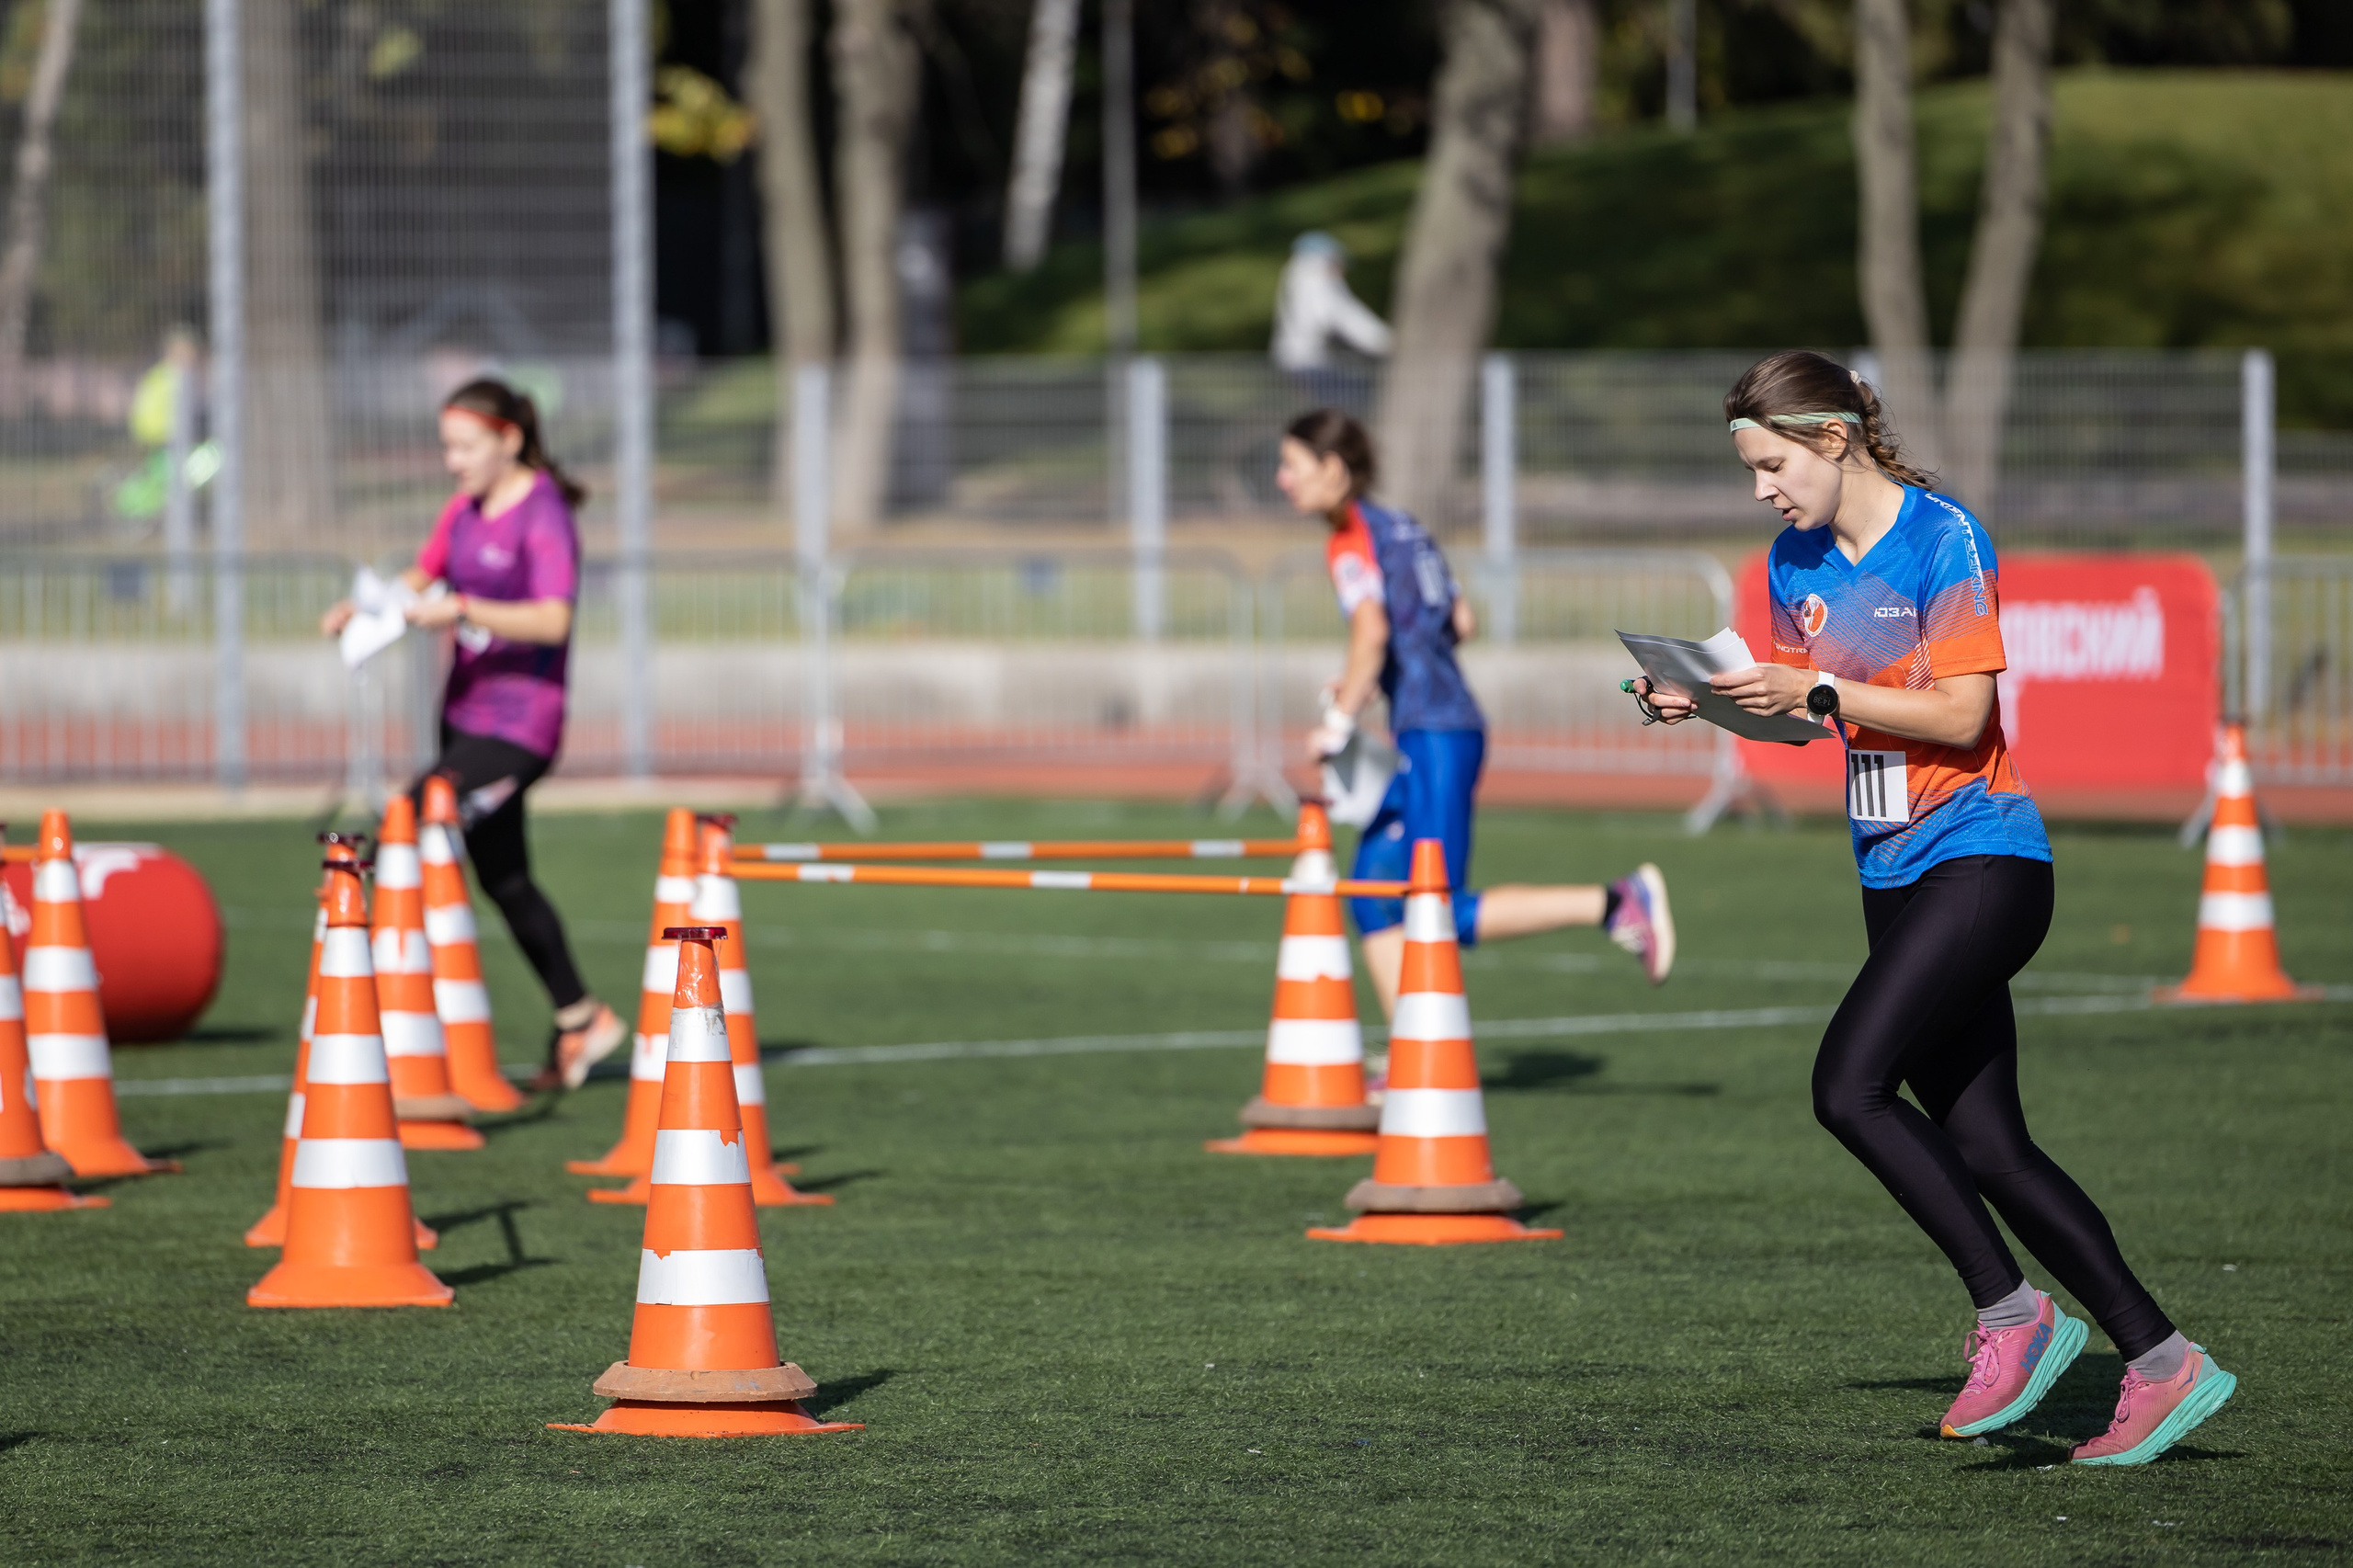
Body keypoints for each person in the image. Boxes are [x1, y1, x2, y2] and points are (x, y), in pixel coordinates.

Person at [1632, 349, 2235, 1465]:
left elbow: (1960, 717)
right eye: (1749, 470)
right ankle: (2162, 1361)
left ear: (1831, 438)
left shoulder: (1943, 536)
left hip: (1984, 860)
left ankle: (2012, 1313)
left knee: (1846, 1086)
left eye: (1770, 464)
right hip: (1890, 872)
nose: (1761, 490)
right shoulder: (1790, 559)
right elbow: (1815, 722)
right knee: (1993, 1149)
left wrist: (1812, 684)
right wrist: (1711, 702)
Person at [1276, 407, 1673, 1019]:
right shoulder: (1403, 526)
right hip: (1435, 727)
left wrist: (1340, 718)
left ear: (1331, 468)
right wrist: (1376, 674)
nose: (1283, 479)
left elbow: (1373, 629)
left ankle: (1615, 901)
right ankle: (1409, 1052)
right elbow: (1461, 622)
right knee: (1373, 898)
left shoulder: (1350, 537)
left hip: (1436, 733)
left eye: (1291, 465)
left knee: (1440, 908)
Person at [321, 378, 626, 1093]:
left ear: (509, 439)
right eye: (447, 448)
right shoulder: (464, 510)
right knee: (506, 878)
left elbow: (553, 619)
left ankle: (408, 1042)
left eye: (465, 446)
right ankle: (581, 1019)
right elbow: (419, 578)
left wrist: (461, 607)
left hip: (519, 729)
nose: (453, 462)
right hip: (462, 715)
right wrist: (364, 609)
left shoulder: (544, 515)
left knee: (410, 821)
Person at [1270, 233, 1391, 411]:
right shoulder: (1317, 282)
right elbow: (1342, 317)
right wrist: (1383, 341)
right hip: (1311, 360)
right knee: (1356, 401)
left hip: (1295, 359)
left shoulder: (1297, 277)